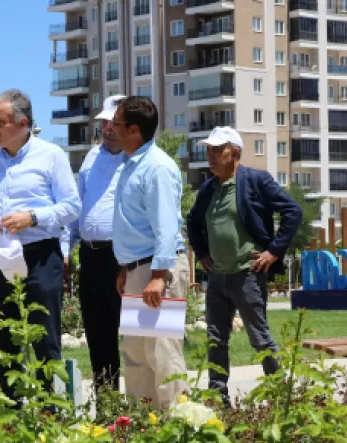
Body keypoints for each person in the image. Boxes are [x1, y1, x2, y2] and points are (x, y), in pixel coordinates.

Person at [0, 89, 80, 401]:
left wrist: (33, 217)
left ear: (23, 123)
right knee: (2, 334)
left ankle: (49, 409)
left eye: (0, 122)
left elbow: (72, 207)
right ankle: (9, 409)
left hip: (40, 256)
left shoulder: (51, 156)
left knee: (44, 334)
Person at [186, 127, 303, 404]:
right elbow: (192, 221)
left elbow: (292, 211)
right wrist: (202, 252)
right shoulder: (209, 187)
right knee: (215, 339)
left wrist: (274, 250)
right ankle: (218, 398)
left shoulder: (255, 180)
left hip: (247, 275)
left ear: (234, 153)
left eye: (217, 150)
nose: (211, 156)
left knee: (259, 337)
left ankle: (280, 396)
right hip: (217, 277)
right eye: (209, 150)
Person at [110, 96, 190, 409]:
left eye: (116, 123)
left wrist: (157, 276)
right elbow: (135, 225)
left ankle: (178, 429)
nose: (111, 128)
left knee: (164, 353)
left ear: (133, 130)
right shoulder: (131, 165)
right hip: (138, 270)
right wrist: (126, 268)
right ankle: (144, 427)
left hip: (158, 272)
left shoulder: (156, 168)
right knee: (137, 355)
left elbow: (166, 227)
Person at [64, 95, 127, 394]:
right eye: (104, 122)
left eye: (114, 123)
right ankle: (108, 407)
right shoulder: (91, 157)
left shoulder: (140, 159)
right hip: (92, 257)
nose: (107, 128)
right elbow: (77, 208)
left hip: (128, 258)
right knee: (98, 337)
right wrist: (66, 248)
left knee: (142, 342)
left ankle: (150, 413)